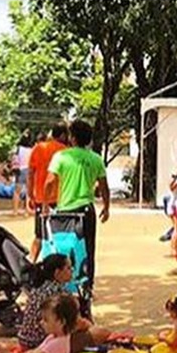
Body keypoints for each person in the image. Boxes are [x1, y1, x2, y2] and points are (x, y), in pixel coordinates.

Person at [44, 120, 111, 298]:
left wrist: (45, 205)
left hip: (64, 210)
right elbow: (104, 186)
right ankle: (86, 287)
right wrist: (106, 206)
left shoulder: (61, 157)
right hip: (86, 211)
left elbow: (49, 182)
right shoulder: (95, 159)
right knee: (88, 250)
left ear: (72, 138)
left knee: (62, 248)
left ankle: (60, 286)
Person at [17, 254, 110, 353]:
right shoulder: (60, 293)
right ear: (57, 273)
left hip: (25, 341)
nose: (72, 271)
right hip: (41, 345)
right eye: (69, 268)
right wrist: (90, 326)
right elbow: (77, 324)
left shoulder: (38, 288)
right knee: (101, 333)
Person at [27, 122, 69, 261]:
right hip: (60, 200)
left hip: (40, 198)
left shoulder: (38, 148)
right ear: (63, 135)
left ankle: (31, 264)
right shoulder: (65, 151)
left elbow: (30, 173)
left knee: (39, 235)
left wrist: (29, 195)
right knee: (60, 236)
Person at [12, 131, 34, 217]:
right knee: (28, 192)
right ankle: (26, 211)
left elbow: (14, 158)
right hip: (28, 170)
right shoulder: (32, 150)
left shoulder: (18, 149)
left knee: (17, 192)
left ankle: (15, 211)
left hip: (20, 170)